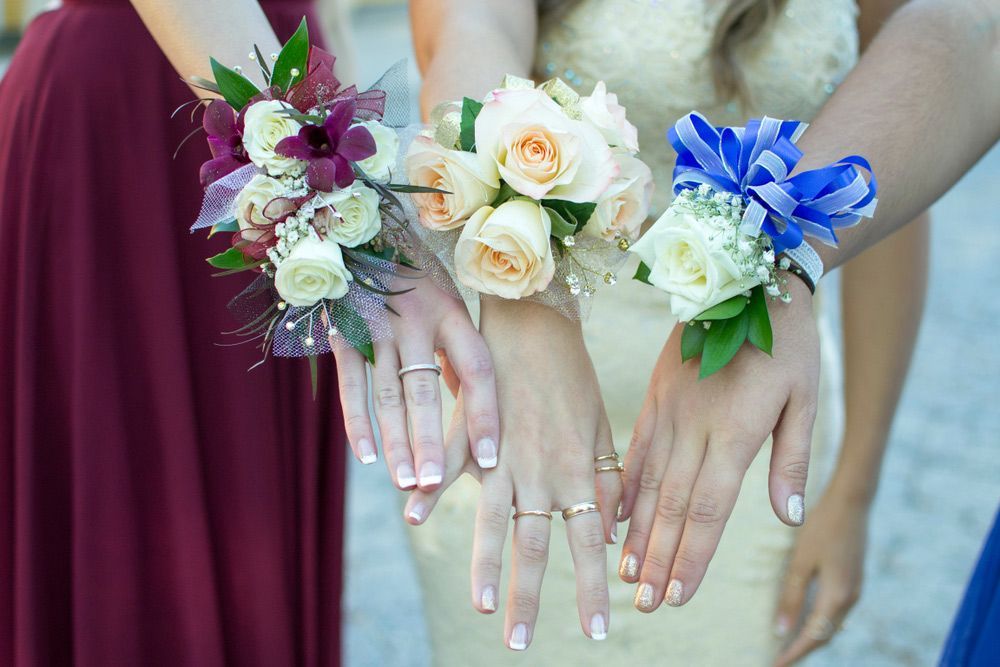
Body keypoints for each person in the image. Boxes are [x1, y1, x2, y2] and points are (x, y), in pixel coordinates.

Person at [403, 0, 928, 663]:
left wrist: (853, 490)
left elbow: (884, 179)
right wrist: (533, 300)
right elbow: (466, 30)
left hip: (743, 433)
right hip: (524, 405)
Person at [0, 1, 501, 663]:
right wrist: (351, 216)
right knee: (123, 504)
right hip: (130, 120)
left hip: (295, 109)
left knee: (250, 500)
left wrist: (364, 173)